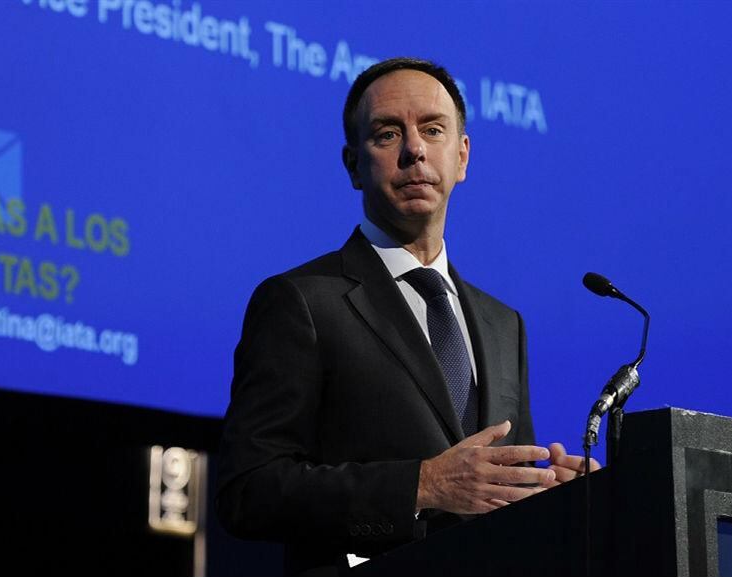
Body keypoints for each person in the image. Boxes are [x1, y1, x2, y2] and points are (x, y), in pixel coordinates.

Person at [216, 57, 599, 576]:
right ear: (354, 164)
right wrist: (423, 485)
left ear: (462, 157)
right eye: (387, 134)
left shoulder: (503, 324)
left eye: (433, 130)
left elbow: (498, 498)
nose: (414, 149)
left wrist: (552, 496)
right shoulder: (301, 301)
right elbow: (250, 490)